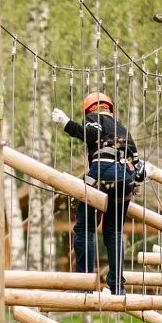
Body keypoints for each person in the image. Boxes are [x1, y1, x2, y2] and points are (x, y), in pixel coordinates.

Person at [50, 93, 145, 294]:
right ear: (110, 108)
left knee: (85, 229)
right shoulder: (123, 130)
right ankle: (117, 287)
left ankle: (83, 285)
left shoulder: (95, 118)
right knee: (114, 231)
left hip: (102, 174)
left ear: (90, 109)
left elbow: (91, 134)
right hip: (124, 181)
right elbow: (137, 162)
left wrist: (67, 123)